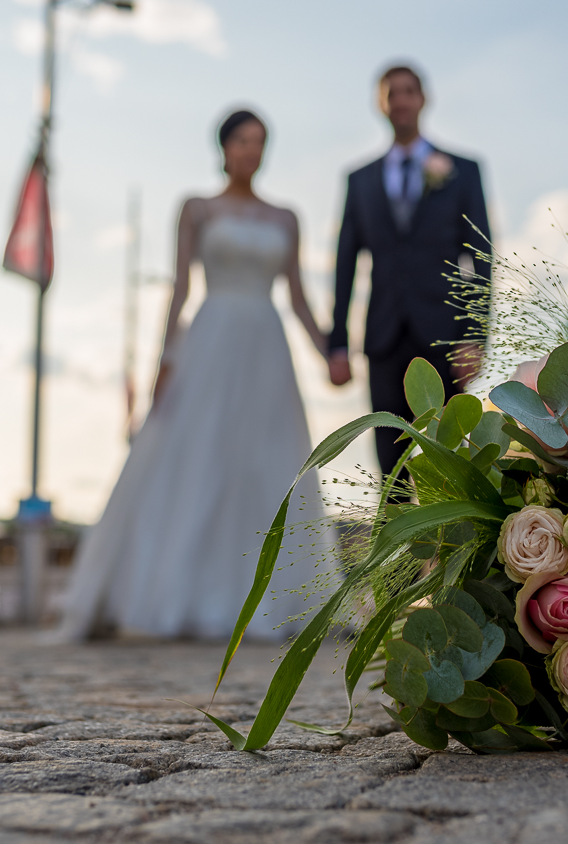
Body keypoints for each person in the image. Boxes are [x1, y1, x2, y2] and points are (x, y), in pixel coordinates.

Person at [55, 110, 327, 642]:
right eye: (244, 140)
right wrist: (166, 359)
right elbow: (179, 289)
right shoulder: (197, 209)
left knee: (268, 460)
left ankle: (272, 598)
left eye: (261, 142)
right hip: (211, 338)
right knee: (198, 456)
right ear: (224, 146)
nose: (253, 150)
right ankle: (180, 592)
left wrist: (328, 353)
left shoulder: (286, 217)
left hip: (266, 345)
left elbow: (297, 296)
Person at [327, 64, 492, 478]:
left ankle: (454, 546)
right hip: (383, 339)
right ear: (380, 104)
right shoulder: (359, 180)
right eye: (391, 93)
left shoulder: (463, 171)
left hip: (445, 335)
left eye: (408, 91)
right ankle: (397, 543)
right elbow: (345, 264)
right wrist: (337, 343)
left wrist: (474, 337)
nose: (400, 100)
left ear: (423, 99)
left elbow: (482, 258)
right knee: (391, 465)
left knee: (451, 459)